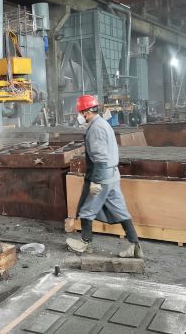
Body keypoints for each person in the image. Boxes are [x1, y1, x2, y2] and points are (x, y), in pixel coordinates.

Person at [66, 94, 143, 258]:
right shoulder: (103, 123)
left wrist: (96, 181)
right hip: (112, 175)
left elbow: (100, 158)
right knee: (121, 211)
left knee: (87, 210)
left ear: (86, 112)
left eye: (80, 113)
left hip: (103, 177)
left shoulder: (95, 128)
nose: (80, 116)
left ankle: (86, 244)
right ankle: (135, 246)